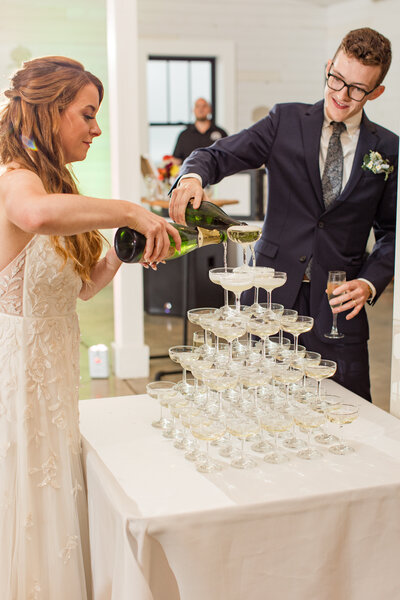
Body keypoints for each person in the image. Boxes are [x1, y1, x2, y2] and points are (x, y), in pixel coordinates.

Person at [0, 56, 180, 600]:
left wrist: (123, 254)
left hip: (56, 375)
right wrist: (128, 211)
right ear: (52, 112)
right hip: (18, 374)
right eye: (87, 114)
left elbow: (77, 289)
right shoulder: (14, 176)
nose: (96, 128)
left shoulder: (56, 182)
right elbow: (33, 217)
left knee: (54, 495)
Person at [169, 27, 398, 402]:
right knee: (256, 408)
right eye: (336, 79)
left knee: (344, 417)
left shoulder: (388, 148)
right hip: (268, 299)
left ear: (376, 92)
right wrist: (193, 178)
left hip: (338, 311)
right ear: (328, 67)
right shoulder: (285, 121)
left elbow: (392, 231)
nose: (341, 95)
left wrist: (370, 282)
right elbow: (218, 154)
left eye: (357, 89)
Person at [172, 97, 227, 165]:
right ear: (193, 110)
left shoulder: (221, 133)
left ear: (210, 110)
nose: (201, 109)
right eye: (197, 106)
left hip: (215, 174)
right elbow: (176, 160)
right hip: (190, 174)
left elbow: (227, 158)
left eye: (204, 106)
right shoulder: (184, 135)